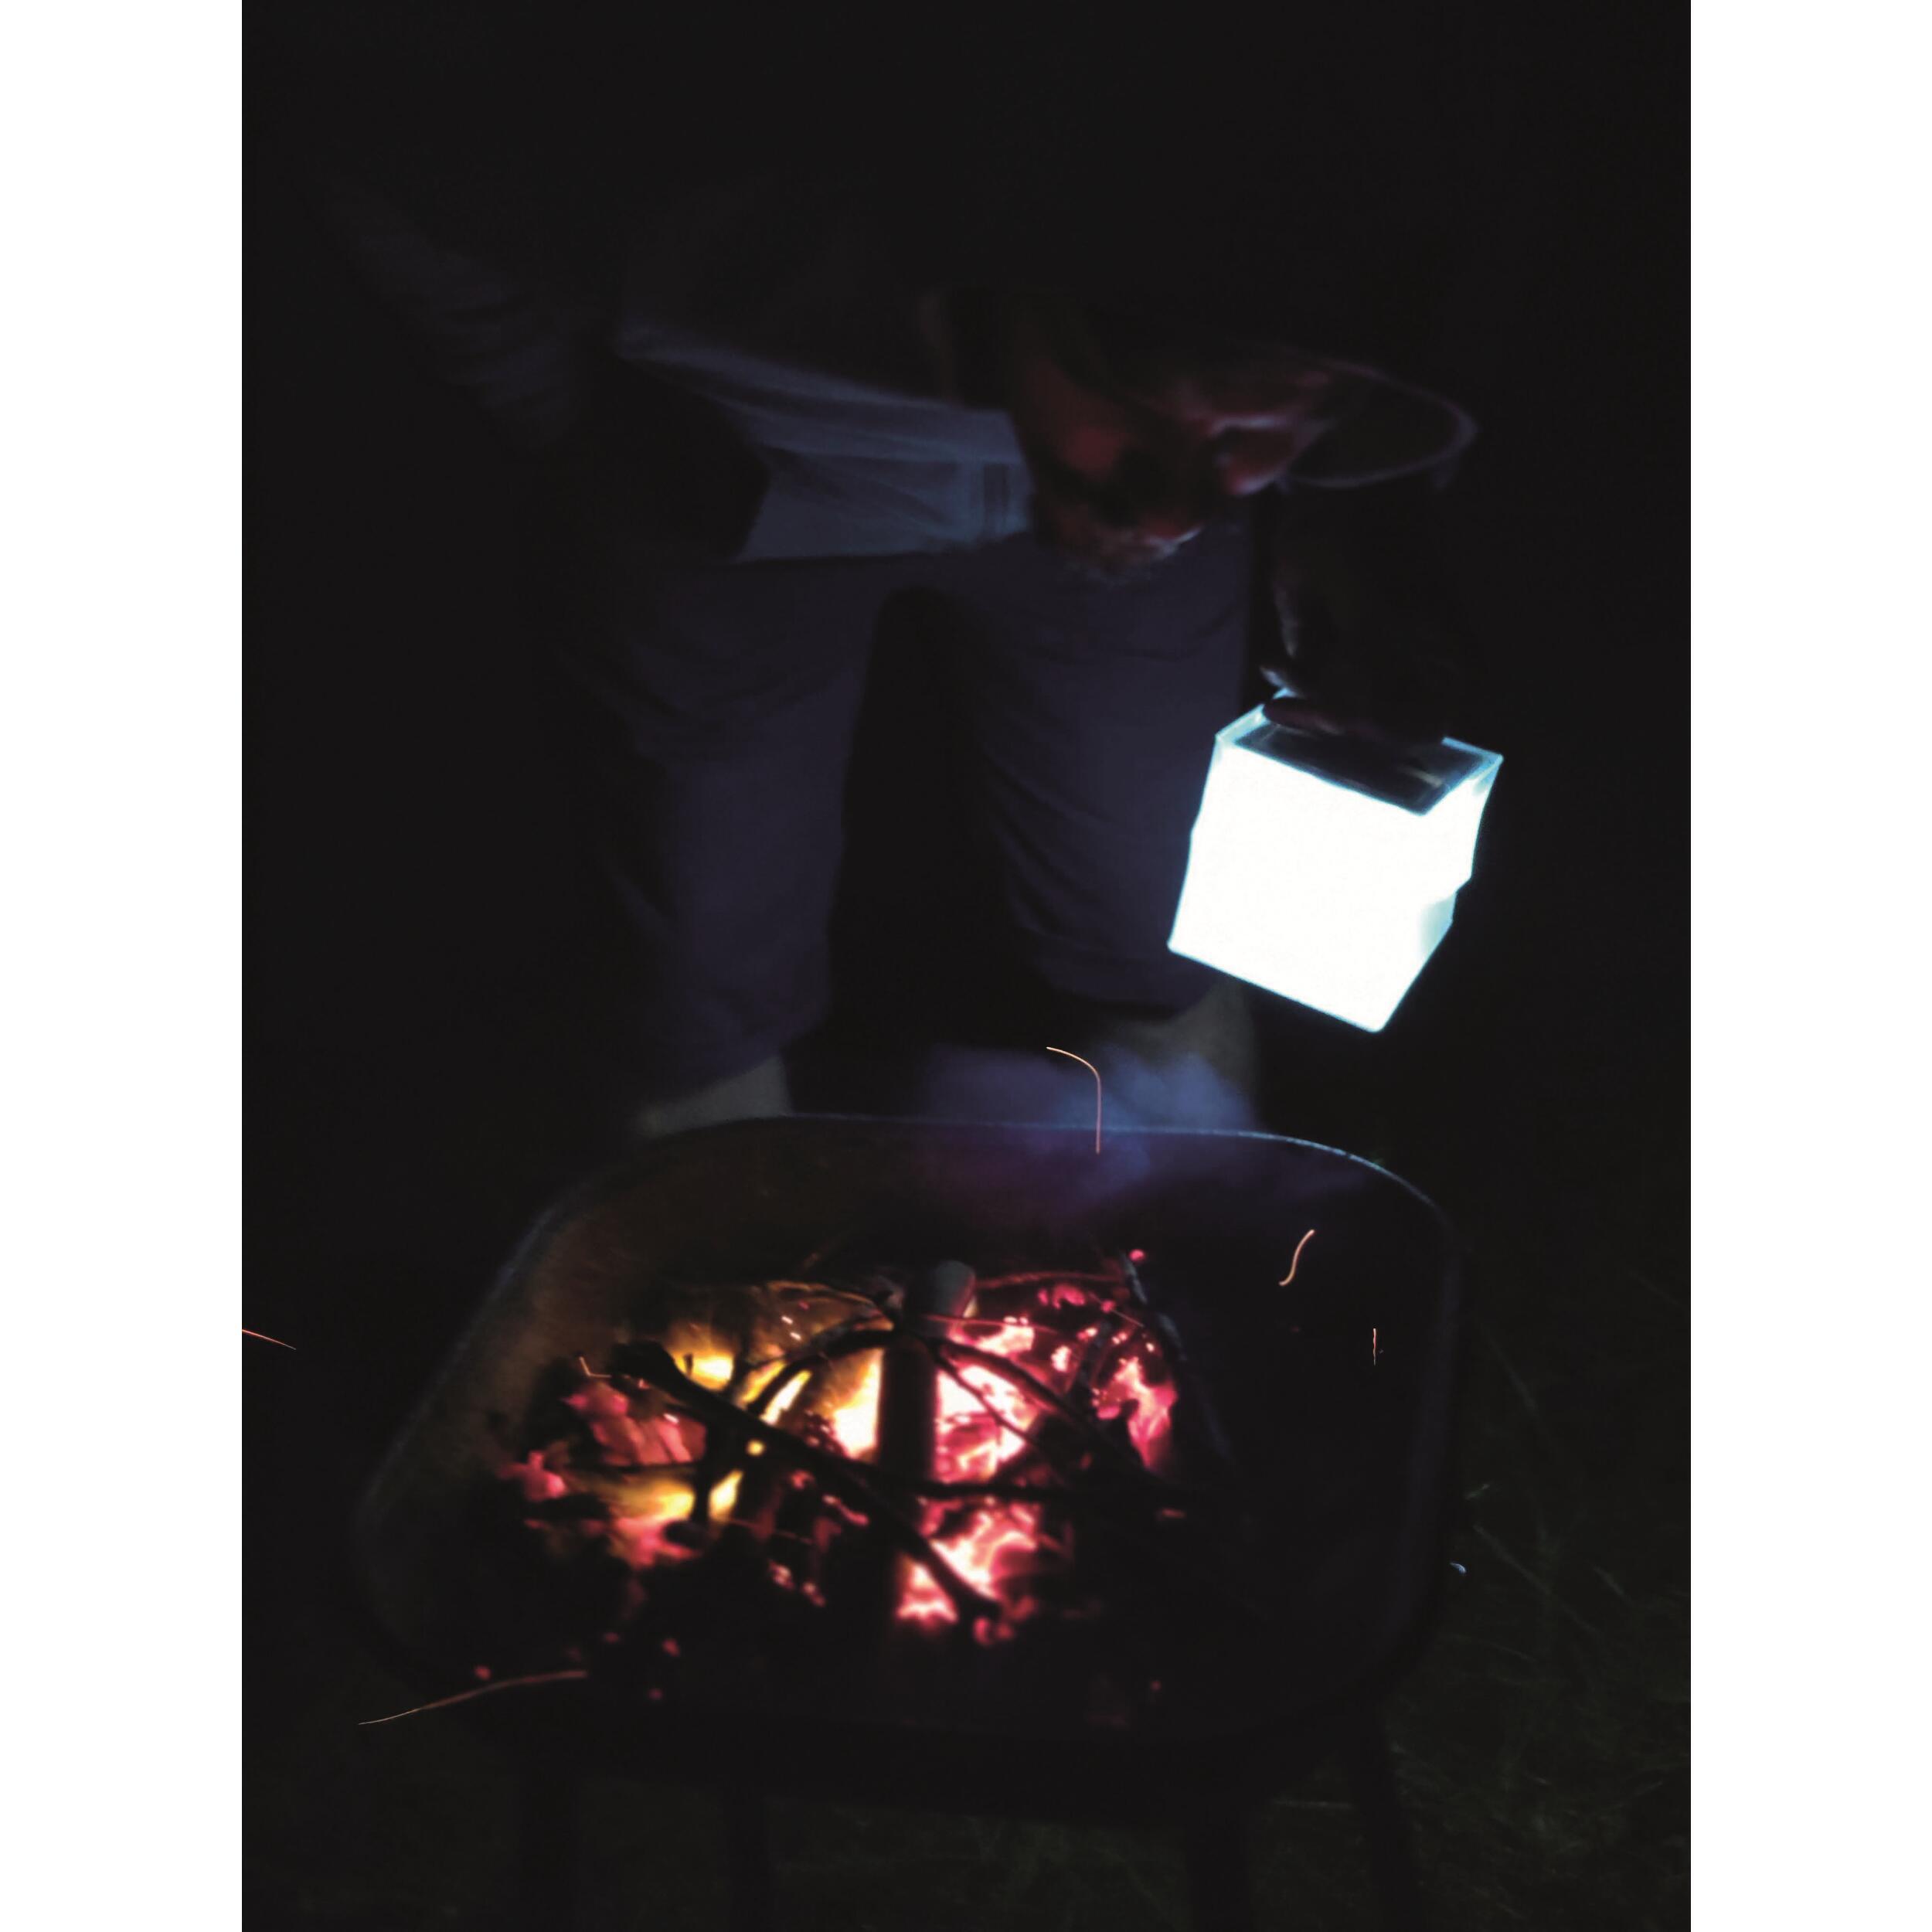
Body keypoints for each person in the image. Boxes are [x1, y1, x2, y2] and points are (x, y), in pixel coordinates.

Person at [284, 19, 1483, 1139]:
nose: (1181, 508)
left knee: (1151, 928)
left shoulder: (1319, 165)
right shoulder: (704, 203)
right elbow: (385, 173)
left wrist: (1333, 522)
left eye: (1258, 438)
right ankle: (734, 1268)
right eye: (1149, 431)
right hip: (727, 489)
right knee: (702, 958)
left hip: (1084, 570)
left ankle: (1187, 1240)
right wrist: (566, 425)